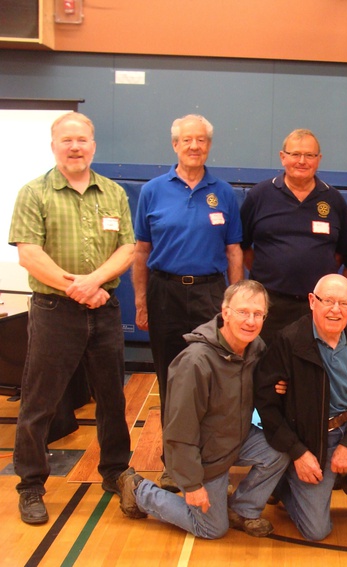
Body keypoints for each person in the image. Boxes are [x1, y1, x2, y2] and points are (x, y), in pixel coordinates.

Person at [9, 112, 135, 525]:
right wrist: (76, 287)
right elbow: (29, 254)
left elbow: (127, 249)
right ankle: (31, 485)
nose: (75, 147)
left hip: (104, 310)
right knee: (39, 402)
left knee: (112, 399)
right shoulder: (34, 192)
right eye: (67, 140)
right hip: (54, 312)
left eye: (82, 140)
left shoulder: (113, 192)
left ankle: (115, 471)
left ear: (93, 146)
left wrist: (94, 282)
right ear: (54, 146)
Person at [118, 280, 290, 539]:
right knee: (211, 528)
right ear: (225, 312)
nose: (251, 321)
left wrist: (278, 386)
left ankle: (242, 510)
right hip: (203, 455)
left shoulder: (255, 349)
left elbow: (263, 387)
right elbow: (178, 432)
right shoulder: (195, 362)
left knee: (280, 449)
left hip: (235, 440)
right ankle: (139, 491)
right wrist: (192, 484)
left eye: (258, 314)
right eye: (243, 312)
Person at [132, 114, 244, 492]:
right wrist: (141, 301)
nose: (194, 146)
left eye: (201, 140)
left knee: (213, 381)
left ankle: (211, 464)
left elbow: (234, 252)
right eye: (187, 140)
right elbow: (141, 251)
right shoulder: (152, 191)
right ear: (175, 145)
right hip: (164, 293)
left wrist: (234, 304)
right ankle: (174, 464)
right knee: (170, 381)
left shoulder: (223, 193)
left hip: (211, 294)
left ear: (209, 146)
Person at [254, 274, 347, 541]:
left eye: (343, 304)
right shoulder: (288, 341)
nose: (335, 310)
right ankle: (284, 483)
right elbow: (267, 406)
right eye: (328, 301)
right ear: (312, 301)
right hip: (310, 439)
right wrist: (298, 453)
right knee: (316, 531)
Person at [240, 129, 347, 344]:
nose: (302, 161)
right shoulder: (260, 195)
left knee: (313, 361)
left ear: (319, 159)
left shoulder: (334, 200)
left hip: (317, 307)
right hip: (269, 304)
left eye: (309, 155)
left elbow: (341, 253)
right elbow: (242, 247)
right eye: (295, 154)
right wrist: (271, 273)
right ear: (283, 157)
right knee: (268, 362)